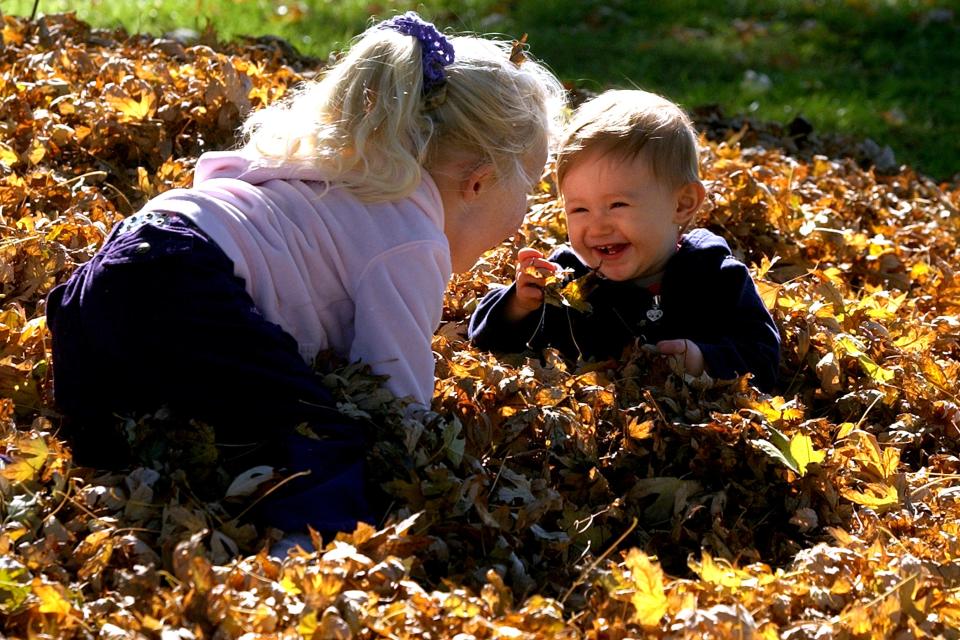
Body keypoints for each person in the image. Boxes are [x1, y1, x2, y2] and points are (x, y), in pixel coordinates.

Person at [46, 12, 566, 538]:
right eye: (530, 190)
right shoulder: (412, 236)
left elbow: (220, 177)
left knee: (118, 430)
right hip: (188, 283)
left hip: (110, 272)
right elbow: (396, 404)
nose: (526, 213)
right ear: (477, 183)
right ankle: (302, 555)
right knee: (320, 438)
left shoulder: (332, 168)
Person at [468, 89, 780, 391]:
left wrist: (704, 361)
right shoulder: (567, 278)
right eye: (579, 209)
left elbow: (765, 358)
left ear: (682, 204)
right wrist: (518, 305)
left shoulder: (715, 276)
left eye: (617, 205)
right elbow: (487, 344)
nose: (598, 226)